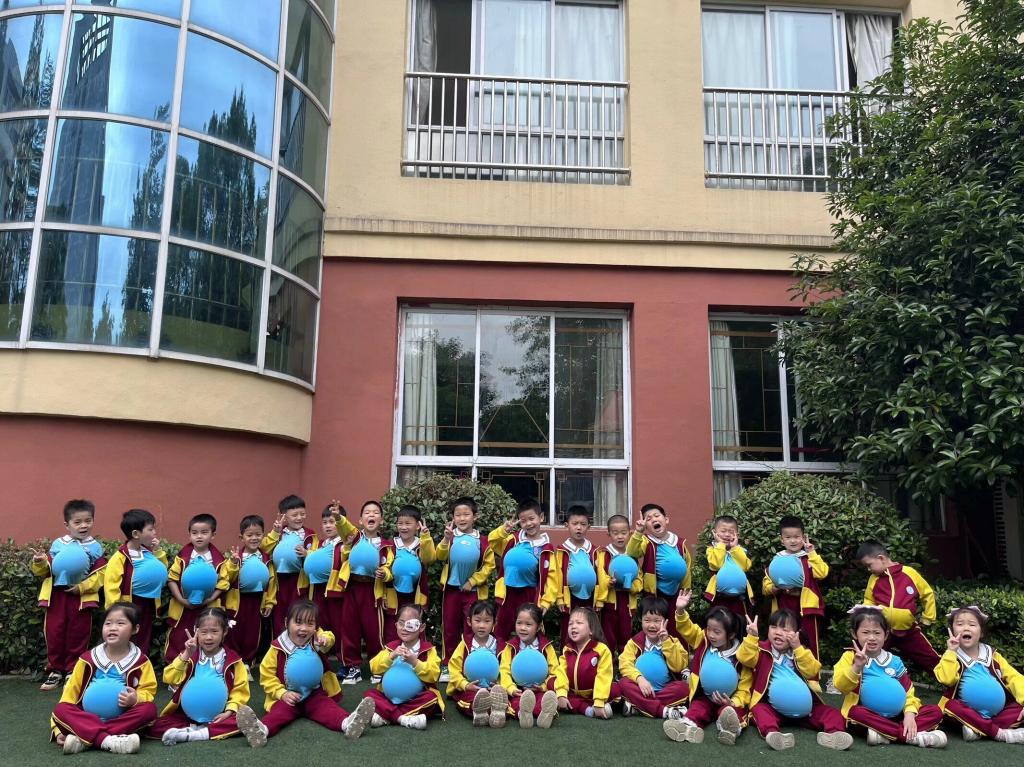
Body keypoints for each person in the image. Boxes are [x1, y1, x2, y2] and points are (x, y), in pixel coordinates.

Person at [234, 599, 375, 746]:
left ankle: (348, 723)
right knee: (279, 713)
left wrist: (325, 639)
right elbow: (267, 676)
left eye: (310, 623)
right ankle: (262, 730)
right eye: (298, 622)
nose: (303, 628)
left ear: (316, 627)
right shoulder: (276, 648)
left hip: (314, 694)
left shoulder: (316, 640)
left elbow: (330, 638)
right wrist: (282, 693)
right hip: (288, 697)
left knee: (328, 708)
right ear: (287, 622)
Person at [50, 601, 158, 755]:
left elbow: (148, 691)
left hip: (122, 718)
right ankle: (109, 741)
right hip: (86, 717)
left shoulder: (141, 661)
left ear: (135, 629)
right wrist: (57, 728)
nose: (112, 628)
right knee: (61, 709)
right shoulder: (87, 659)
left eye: (120, 623)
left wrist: (135, 699)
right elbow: (69, 694)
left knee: (149, 710)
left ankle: (86, 738)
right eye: (108, 623)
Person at [738, 609, 853, 751]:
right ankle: (773, 734)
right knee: (759, 710)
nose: (778, 632)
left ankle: (834, 735)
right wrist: (751, 637)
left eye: (785, 629)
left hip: (807, 712)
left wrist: (798, 648)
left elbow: (812, 671)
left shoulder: (800, 652)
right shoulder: (760, 650)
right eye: (773, 627)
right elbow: (744, 658)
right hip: (774, 709)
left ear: (796, 634)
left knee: (831, 713)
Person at [834, 606, 946, 747]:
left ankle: (886, 734)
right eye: (866, 632)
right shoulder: (849, 657)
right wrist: (856, 666)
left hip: (898, 717)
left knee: (935, 711)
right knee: (855, 713)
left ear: (886, 635)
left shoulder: (895, 661)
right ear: (854, 634)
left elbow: (908, 691)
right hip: (869, 716)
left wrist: (909, 715)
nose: (872, 638)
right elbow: (841, 686)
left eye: (877, 633)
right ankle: (910, 736)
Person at [31, 499, 106, 690]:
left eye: (88, 521)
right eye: (77, 522)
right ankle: (55, 670)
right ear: (67, 524)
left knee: (78, 634)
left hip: (80, 598)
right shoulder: (58, 545)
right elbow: (46, 571)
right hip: (57, 596)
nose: (83, 526)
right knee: (54, 632)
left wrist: (83, 587)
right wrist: (40, 562)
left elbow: (101, 575)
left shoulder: (96, 548)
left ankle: (74, 670)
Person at [149, 607, 247, 745]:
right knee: (153, 726)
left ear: (224, 631)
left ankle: (196, 734)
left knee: (242, 719)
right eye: (204, 632)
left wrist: (230, 711)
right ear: (196, 631)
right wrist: (186, 654)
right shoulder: (190, 655)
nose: (208, 637)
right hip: (186, 716)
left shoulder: (233, 660)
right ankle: (197, 729)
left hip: (220, 716)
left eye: (214, 631)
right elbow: (169, 678)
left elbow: (240, 690)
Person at [665, 593, 751, 745]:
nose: (711, 635)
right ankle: (688, 727)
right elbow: (688, 630)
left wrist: (733, 702)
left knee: (731, 713)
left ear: (731, 634)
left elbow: (745, 686)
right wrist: (680, 611)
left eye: (717, 632)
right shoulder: (703, 641)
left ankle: (729, 731)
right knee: (698, 708)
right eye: (709, 629)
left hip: (729, 700)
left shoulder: (742, 655)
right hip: (705, 696)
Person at [934, 605, 1024, 743]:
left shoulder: (993, 655)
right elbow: (946, 679)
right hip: (965, 713)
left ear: (981, 632)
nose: (966, 628)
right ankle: (1000, 734)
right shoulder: (951, 656)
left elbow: (1014, 678)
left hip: (998, 715)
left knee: (1019, 709)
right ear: (951, 631)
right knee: (951, 706)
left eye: (972, 624)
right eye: (960, 624)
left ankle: (977, 729)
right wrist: (951, 651)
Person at [328, 500, 393, 684]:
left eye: (375, 513)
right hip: (352, 588)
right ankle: (352, 667)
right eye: (367, 512)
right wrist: (338, 517)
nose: (371, 515)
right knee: (349, 628)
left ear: (381, 520)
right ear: (360, 520)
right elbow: (345, 528)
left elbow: (390, 566)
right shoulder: (355, 537)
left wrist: (385, 573)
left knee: (374, 631)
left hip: (373, 591)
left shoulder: (387, 545)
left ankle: (377, 667)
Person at [435, 496, 496, 682]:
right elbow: (440, 556)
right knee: (450, 628)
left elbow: (489, 565)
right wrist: (445, 539)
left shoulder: (482, 540)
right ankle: (448, 664)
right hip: (451, 591)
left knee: (472, 628)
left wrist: (473, 581)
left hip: (473, 592)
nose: (462, 518)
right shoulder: (450, 537)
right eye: (458, 515)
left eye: (466, 514)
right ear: (453, 518)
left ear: (475, 517)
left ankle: (470, 663)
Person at [857, 540, 940, 671]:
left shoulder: (909, 572)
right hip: (882, 630)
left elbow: (927, 594)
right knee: (865, 658)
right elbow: (869, 599)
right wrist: (867, 612)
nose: (868, 569)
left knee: (931, 659)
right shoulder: (874, 578)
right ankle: (860, 681)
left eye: (869, 565)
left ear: (881, 558)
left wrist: (928, 618)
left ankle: (954, 681)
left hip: (908, 630)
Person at [165, 514, 235, 664]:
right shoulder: (182, 557)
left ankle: (204, 665)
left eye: (204, 532)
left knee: (207, 635)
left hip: (208, 607)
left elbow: (223, 583)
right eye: (194, 533)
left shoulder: (219, 561)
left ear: (213, 535)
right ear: (189, 534)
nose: (199, 536)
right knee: (180, 635)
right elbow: (172, 579)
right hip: (184, 607)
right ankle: (177, 666)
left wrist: (210, 599)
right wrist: (181, 599)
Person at [364, 604, 445, 729]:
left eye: (410, 625)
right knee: (369, 695)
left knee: (431, 698)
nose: (404, 629)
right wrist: (391, 656)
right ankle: (404, 719)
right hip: (388, 697)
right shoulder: (390, 648)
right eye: (401, 623)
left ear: (421, 627)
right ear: (396, 625)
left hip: (416, 698)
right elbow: (374, 668)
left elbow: (433, 675)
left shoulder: (428, 650)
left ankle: (386, 715)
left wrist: (415, 662)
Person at [490, 499, 560, 641]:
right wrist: (503, 530)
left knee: (530, 631)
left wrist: (545, 603)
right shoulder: (513, 540)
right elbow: (492, 543)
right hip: (507, 593)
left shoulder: (546, 548)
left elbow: (552, 578)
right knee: (500, 631)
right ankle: (497, 653)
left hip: (529, 594)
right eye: (523, 521)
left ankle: (532, 654)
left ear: (541, 517)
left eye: (531, 519)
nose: (528, 524)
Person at [762, 515, 829, 660]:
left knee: (808, 640)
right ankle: (782, 666)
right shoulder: (777, 559)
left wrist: (812, 553)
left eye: (797, 537)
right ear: (782, 539)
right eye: (788, 537)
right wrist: (774, 588)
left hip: (805, 607)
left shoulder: (807, 558)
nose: (793, 541)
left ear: (803, 537)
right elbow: (766, 585)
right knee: (782, 637)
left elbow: (822, 573)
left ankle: (811, 672)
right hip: (783, 603)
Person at [103, 509, 168, 655]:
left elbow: (161, 568)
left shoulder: (147, 551)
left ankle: (141, 661)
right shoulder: (120, 557)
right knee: (128, 636)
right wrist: (115, 609)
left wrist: (158, 551)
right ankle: (125, 662)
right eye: (150, 529)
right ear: (136, 534)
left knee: (144, 634)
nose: (154, 533)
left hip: (148, 602)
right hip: (130, 604)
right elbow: (111, 584)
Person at [625, 503, 691, 640]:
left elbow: (687, 567)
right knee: (656, 626)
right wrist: (638, 532)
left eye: (657, 516)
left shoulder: (679, 542)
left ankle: (677, 652)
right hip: (655, 594)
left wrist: (686, 590)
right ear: (646, 526)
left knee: (676, 627)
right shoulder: (646, 541)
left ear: (666, 519)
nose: (654, 519)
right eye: (648, 519)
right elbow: (632, 552)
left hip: (676, 594)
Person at [618, 596, 689, 719]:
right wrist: (640, 679)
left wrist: (666, 642)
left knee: (683, 688)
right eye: (647, 620)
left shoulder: (673, 642)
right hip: (639, 687)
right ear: (641, 620)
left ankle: (639, 707)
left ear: (665, 621)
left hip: (664, 689)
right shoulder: (634, 643)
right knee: (623, 683)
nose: (652, 625)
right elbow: (624, 664)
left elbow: (679, 666)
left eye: (657, 621)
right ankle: (663, 711)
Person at [224, 515, 277, 670]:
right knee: (234, 632)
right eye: (249, 535)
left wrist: (269, 602)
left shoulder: (266, 558)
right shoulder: (236, 557)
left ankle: (247, 662)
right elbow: (227, 578)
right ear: (241, 537)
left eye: (258, 534)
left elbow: (272, 582)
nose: (254, 538)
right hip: (238, 602)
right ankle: (233, 661)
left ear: (263, 535)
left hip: (257, 601)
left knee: (253, 632)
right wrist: (233, 564)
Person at [498, 602, 561, 729]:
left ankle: (545, 714)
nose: (522, 628)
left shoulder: (546, 647)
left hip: (539, 689)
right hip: (518, 690)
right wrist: (511, 688)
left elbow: (554, 672)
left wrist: (543, 686)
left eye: (528, 624)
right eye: (519, 623)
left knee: (544, 700)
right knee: (514, 702)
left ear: (538, 627)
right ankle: (522, 714)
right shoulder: (510, 647)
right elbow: (504, 670)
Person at [260, 495, 316, 636]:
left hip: (298, 581)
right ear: (284, 516)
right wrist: (275, 532)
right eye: (294, 515)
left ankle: (298, 640)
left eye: (302, 514)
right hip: (278, 581)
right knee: (279, 613)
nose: (299, 518)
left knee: (297, 612)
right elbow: (265, 548)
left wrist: (307, 553)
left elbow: (316, 556)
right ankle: (279, 642)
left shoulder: (309, 535)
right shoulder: (279, 533)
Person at [446, 600, 508, 727]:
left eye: (487, 621)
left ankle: (497, 712)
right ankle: (479, 713)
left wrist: (499, 684)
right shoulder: (465, 644)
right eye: (477, 620)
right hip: (471, 687)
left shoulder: (500, 646)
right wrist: (465, 685)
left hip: (493, 688)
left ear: (494, 623)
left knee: (501, 698)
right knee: (469, 699)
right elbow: (454, 669)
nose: (481, 625)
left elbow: (506, 668)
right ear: (469, 621)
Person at [381, 505, 436, 643]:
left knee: (414, 622)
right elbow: (384, 566)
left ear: (417, 525)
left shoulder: (421, 544)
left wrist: (426, 537)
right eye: (400, 523)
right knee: (392, 627)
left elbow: (429, 558)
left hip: (415, 594)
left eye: (408, 523)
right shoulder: (390, 545)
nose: (403, 527)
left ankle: (416, 653)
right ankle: (391, 652)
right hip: (394, 594)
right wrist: (383, 591)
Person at [555, 607, 620, 718]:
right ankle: (587, 710)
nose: (573, 626)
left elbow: (603, 676)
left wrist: (599, 701)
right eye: (570, 624)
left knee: (615, 689)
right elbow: (561, 673)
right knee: (552, 683)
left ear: (591, 630)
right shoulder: (567, 649)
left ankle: (597, 706)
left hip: (594, 693)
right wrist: (561, 694)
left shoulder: (601, 650)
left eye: (579, 623)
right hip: (573, 692)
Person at [594, 513, 642, 655]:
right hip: (610, 602)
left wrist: (631, 587)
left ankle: (624, 662)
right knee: (608, 636)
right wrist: (608, 582)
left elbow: (639, 579)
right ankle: (608, 663)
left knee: (625, 635)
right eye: (615, 533)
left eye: (623, 533)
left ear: (630, 533)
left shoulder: (632, 555)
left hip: (627, 602)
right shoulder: (604, 554)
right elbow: (600, 576)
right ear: (608, 534)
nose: (620, 537)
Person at [556, 506, 598, 645]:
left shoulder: (594, 551)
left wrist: (600, 598)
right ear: (567, 525)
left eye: (583, 524)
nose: (579, 528)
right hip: (569, 598)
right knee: (568, 627)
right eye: (575, 524)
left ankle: (588, 655)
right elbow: (557, 576)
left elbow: (601, 574)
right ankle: (567, 654)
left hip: (590, 598)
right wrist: (560, 598)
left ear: (588, 527)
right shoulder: (562, 551)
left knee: (589, 627)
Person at [703, 515, 753, 619]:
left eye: (731, 532)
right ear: (715, 533)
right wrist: (721, 545)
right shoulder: (712, 550)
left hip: (739, 598)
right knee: (720, 621)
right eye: (723, 531)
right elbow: (716, 565)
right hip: (719, 596)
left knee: (740, 621)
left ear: (737, 534)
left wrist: (734, 548)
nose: (727, 534)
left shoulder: (740, 550)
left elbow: (745, 567)